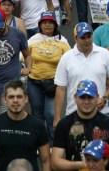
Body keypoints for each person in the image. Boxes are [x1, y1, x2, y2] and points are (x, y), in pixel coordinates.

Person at [54, 23, 109, 123]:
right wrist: (57, 117)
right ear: (76, 38)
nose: (87, 40)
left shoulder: (104, 54)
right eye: (83, 37)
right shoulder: (66, 58)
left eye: (89, 36)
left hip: (101, 113)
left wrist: (104, 98)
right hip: (74, 113)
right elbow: (60, 88)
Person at [0, 80, 51, 171]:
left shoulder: (38, 125)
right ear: (4, 100)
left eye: (19, 97)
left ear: (26, 99)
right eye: (11, 97)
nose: (15, 100)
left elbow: (46, 161)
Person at [52, 80, 109, 170]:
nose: (86, 102)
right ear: (75, 98)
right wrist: (83, 164)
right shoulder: (64, 124)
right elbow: (55, 163)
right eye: (82, 97)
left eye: (90, 97)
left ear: (98, 97)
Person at [26, 11, 70, 144]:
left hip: (53, 84)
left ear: (55, 24)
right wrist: (26, 67)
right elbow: (23, 56)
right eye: (44, 22)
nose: (47, 25)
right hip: (34, 82)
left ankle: (52, 144)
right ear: (40, 25)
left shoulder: (62, 40)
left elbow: (70, 58)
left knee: (51, 115)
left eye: (50, 22)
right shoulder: (33, 39)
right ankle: (39, 144)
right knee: (37, 115)